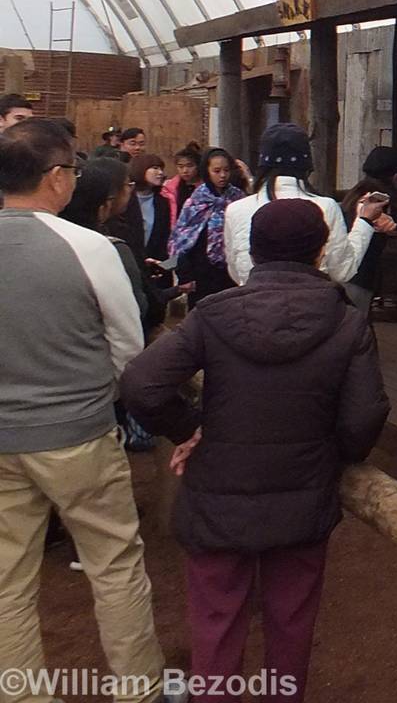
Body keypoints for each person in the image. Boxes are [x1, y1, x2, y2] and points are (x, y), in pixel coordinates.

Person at [121, 198, 390, 703]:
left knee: (217, 622)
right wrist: (337, 453)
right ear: (321, 249)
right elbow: (364, 415)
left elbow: (140, 383)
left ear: (253, 251)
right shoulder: (346, 320)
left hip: (217, 492)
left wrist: (189, 429)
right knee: (291, 625)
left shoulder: (213, 313)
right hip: (303, 497)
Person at [0, 119, 173, 703]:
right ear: (54, 177)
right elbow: (128, 346)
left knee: (7, 582)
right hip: (79, 432)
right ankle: (139, 690)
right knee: (116, 564)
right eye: (72, 170)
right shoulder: (90, 247)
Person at [224, 123, 394, 286]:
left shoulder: (236, 210)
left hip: (252, 308)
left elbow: (235, 271)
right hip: (313, 308)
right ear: (307, 165)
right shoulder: (325, 207)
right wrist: (364, 221)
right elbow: (343, 270)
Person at [61, 156, 180, 340]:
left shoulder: (60, 233)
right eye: (127, 185)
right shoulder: (111, 246)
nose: (130, 191)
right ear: (108, 198)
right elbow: (131, 315)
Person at [170, 148, 245, 305]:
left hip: (230, 272)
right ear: (207, 171)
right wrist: (185, 275)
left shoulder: (238, 198)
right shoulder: (197, 201)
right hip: (201, 273)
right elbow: (181, 240)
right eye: (217, 171)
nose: (222, 175)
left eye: (226, 170)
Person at [339, 146, 397, 310]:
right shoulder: (378, 200)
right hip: (359, 278)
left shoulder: (355, 193)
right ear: (396, 177)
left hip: (343, 271)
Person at [116, 153, 172, 266]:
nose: (160, 173)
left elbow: (163, 238)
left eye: (161, 169)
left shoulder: (162, 203)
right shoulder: (125, 199)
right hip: (128, 262)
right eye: (155, 168)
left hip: (154, 265)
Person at [162, 143, 204, 233]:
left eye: (189, 166)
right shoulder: (169, 188)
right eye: (180, 166)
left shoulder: (205, 189)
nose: (185, 171)